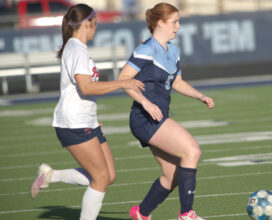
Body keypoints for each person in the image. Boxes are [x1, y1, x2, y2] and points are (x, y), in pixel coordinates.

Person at [29, 4, 144, 220]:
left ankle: (50, 175)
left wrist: (93, 118)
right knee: (100, 178)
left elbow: (83, 92)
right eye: (96, 24)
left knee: (108, 176)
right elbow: (87, 87)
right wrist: (123, 84)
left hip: (86, 121)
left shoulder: (78, 49)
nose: (96, 28)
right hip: (73, 123)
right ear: (87, 24)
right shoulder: (76, 49)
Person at [118, 3, 214, 220]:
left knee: (172, 175)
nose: (178, 27)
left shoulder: (173, 50)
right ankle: (186, 214)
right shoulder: (146, 50)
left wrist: (200, 96)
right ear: (159, 23)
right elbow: (123, 80)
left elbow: (178, 83)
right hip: (145, 118)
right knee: (192, 151)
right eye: (174, 22)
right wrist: (145, 102)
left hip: (158, 116)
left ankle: (141, 213)